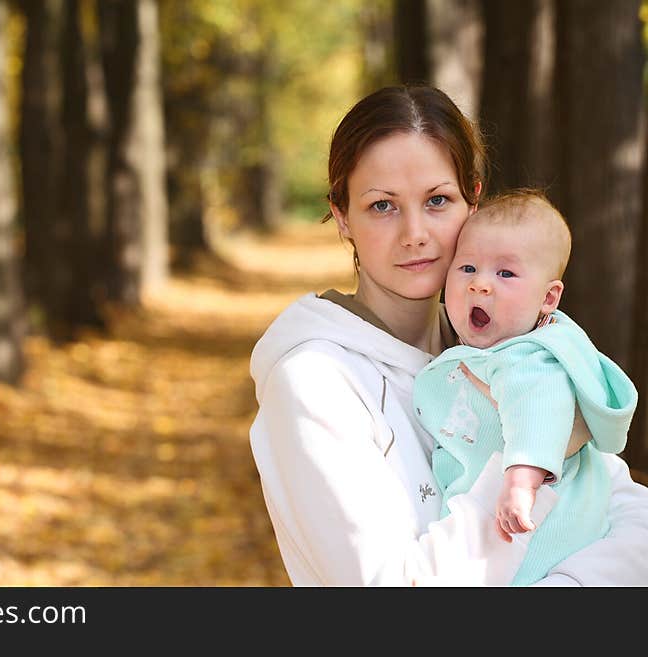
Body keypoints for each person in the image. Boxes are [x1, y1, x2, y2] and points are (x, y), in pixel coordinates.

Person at [248, 84, 648, 586]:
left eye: (437, 200)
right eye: (382, 206)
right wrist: (530, 459)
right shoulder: (314, 383)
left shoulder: (503, 343)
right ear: (343, 215)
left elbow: (631, 518)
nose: (415, 232)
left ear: (473, 199)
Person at [412, 190, 637, 586]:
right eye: (467, 268)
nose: (480, 284)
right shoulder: (502, 349)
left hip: (532, 531)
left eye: (506, 274)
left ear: (548, 298)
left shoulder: (531, 358)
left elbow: (538, 407)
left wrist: (521, 479)